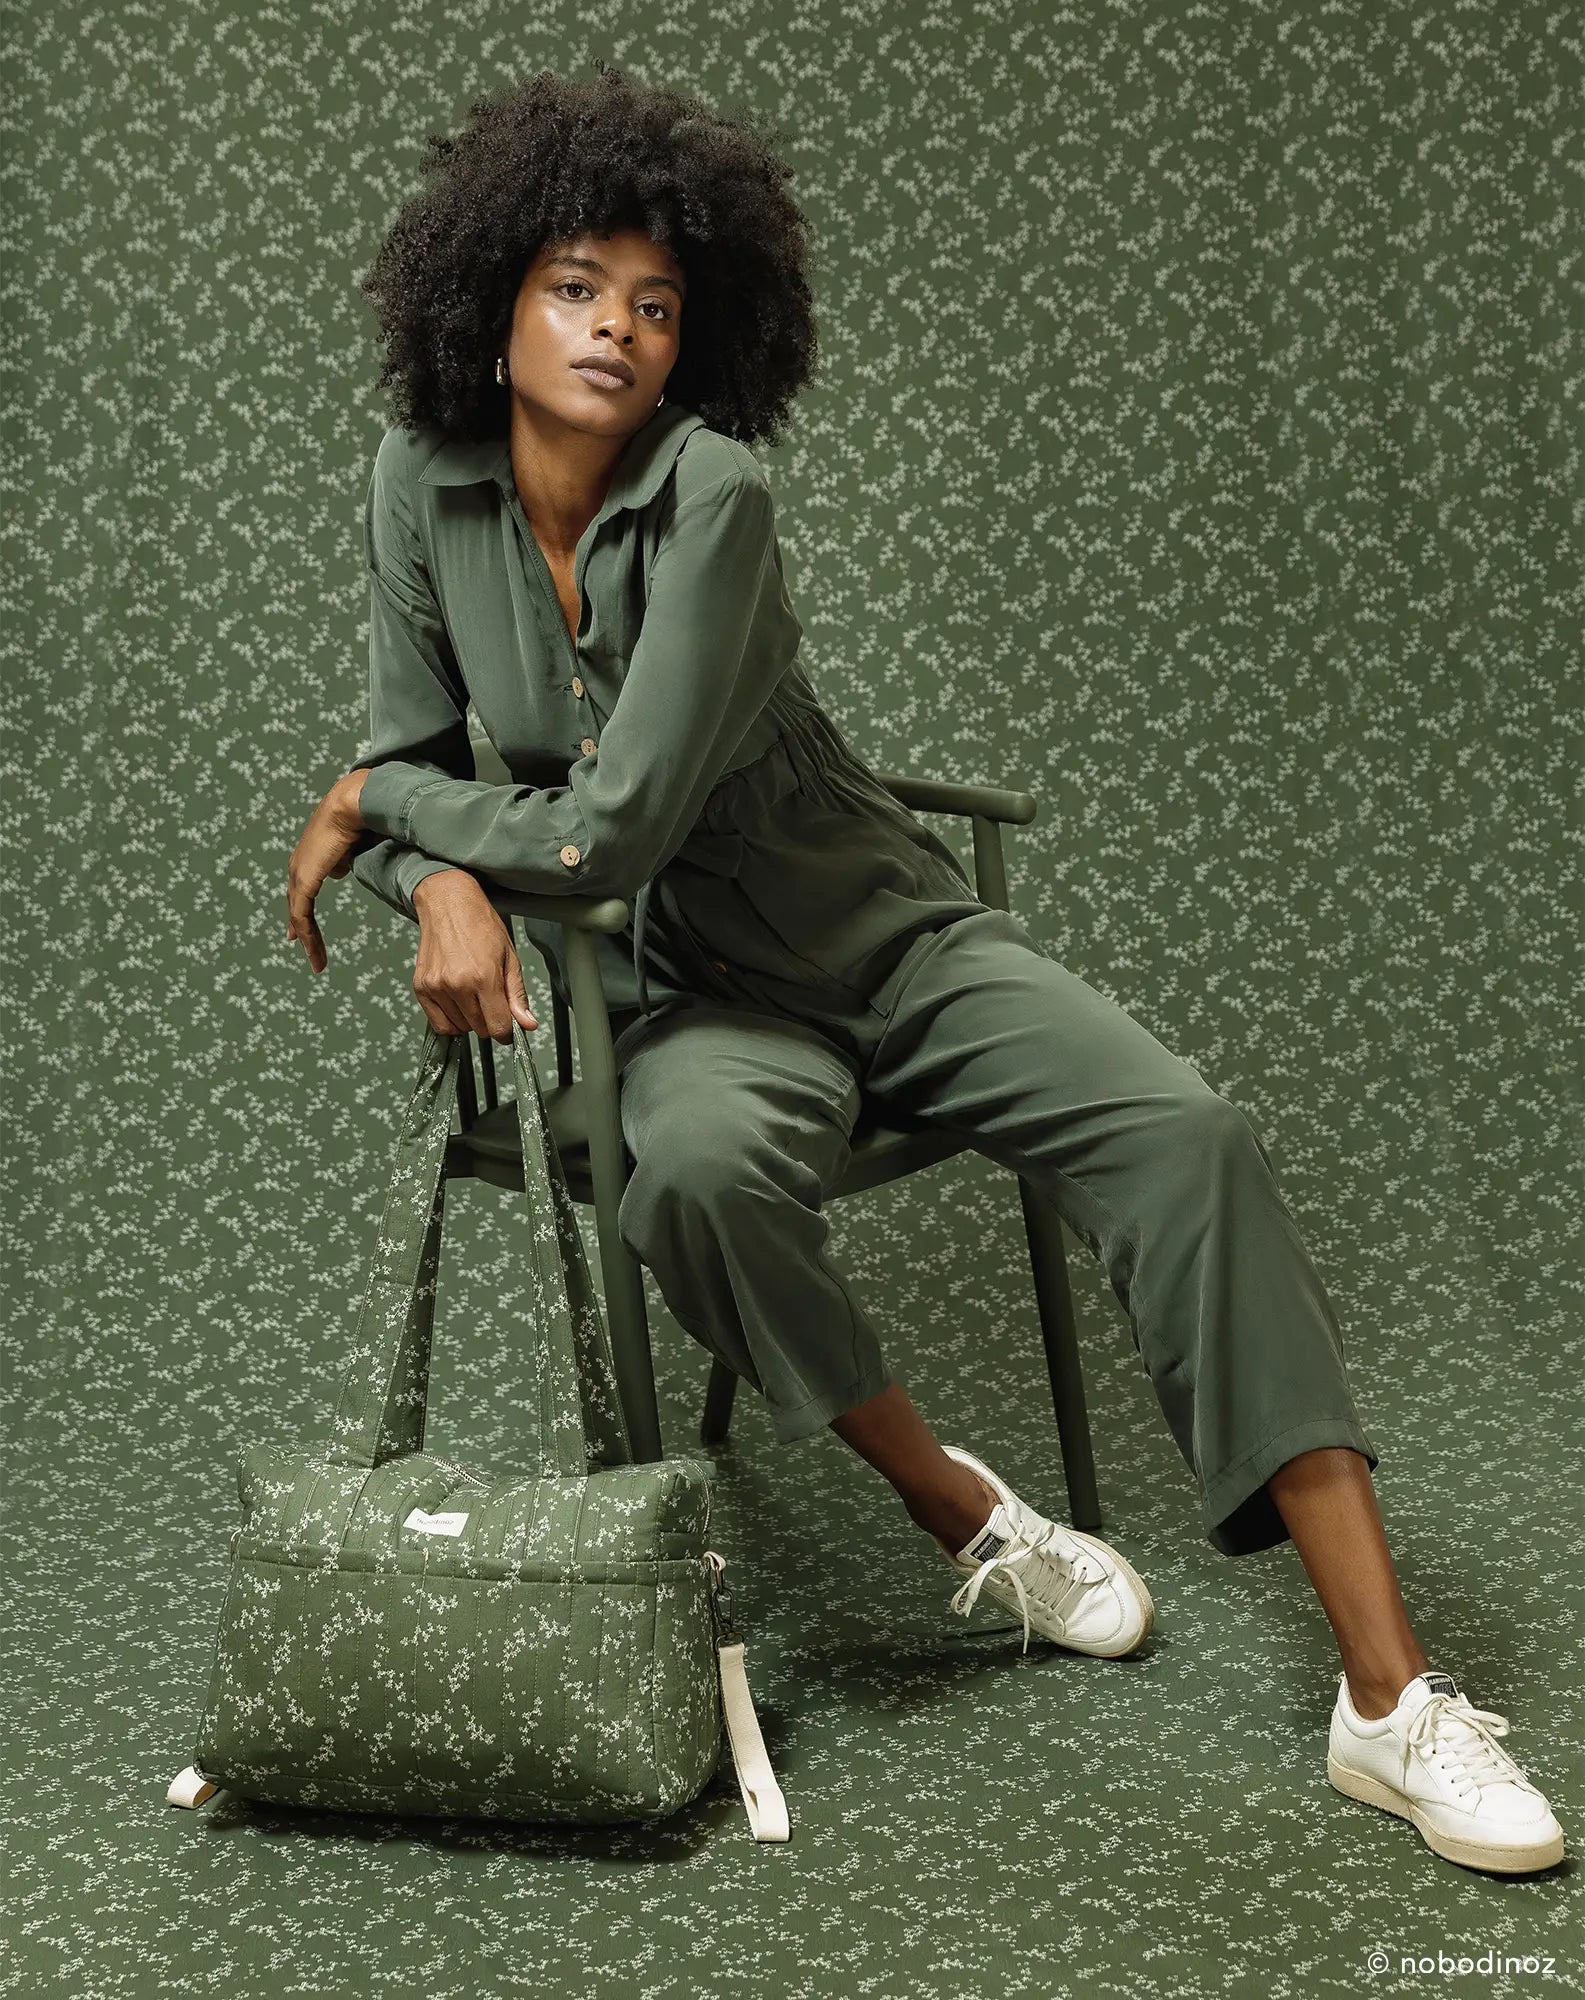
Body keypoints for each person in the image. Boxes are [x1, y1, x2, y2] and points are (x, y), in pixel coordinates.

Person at [284, 62, 1563, 1875]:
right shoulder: (418, 485)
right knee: (690, 1175)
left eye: (656, 304)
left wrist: (374, 805)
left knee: (1187, 1136)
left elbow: (603, 831)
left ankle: (1388, 1700)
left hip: (882, 935)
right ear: (490, 304)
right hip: (688, 1003)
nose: (617, 330)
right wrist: (431, 880)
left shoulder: (714, 493)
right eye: (575, 288)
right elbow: (426, 749)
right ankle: (968, 1515)